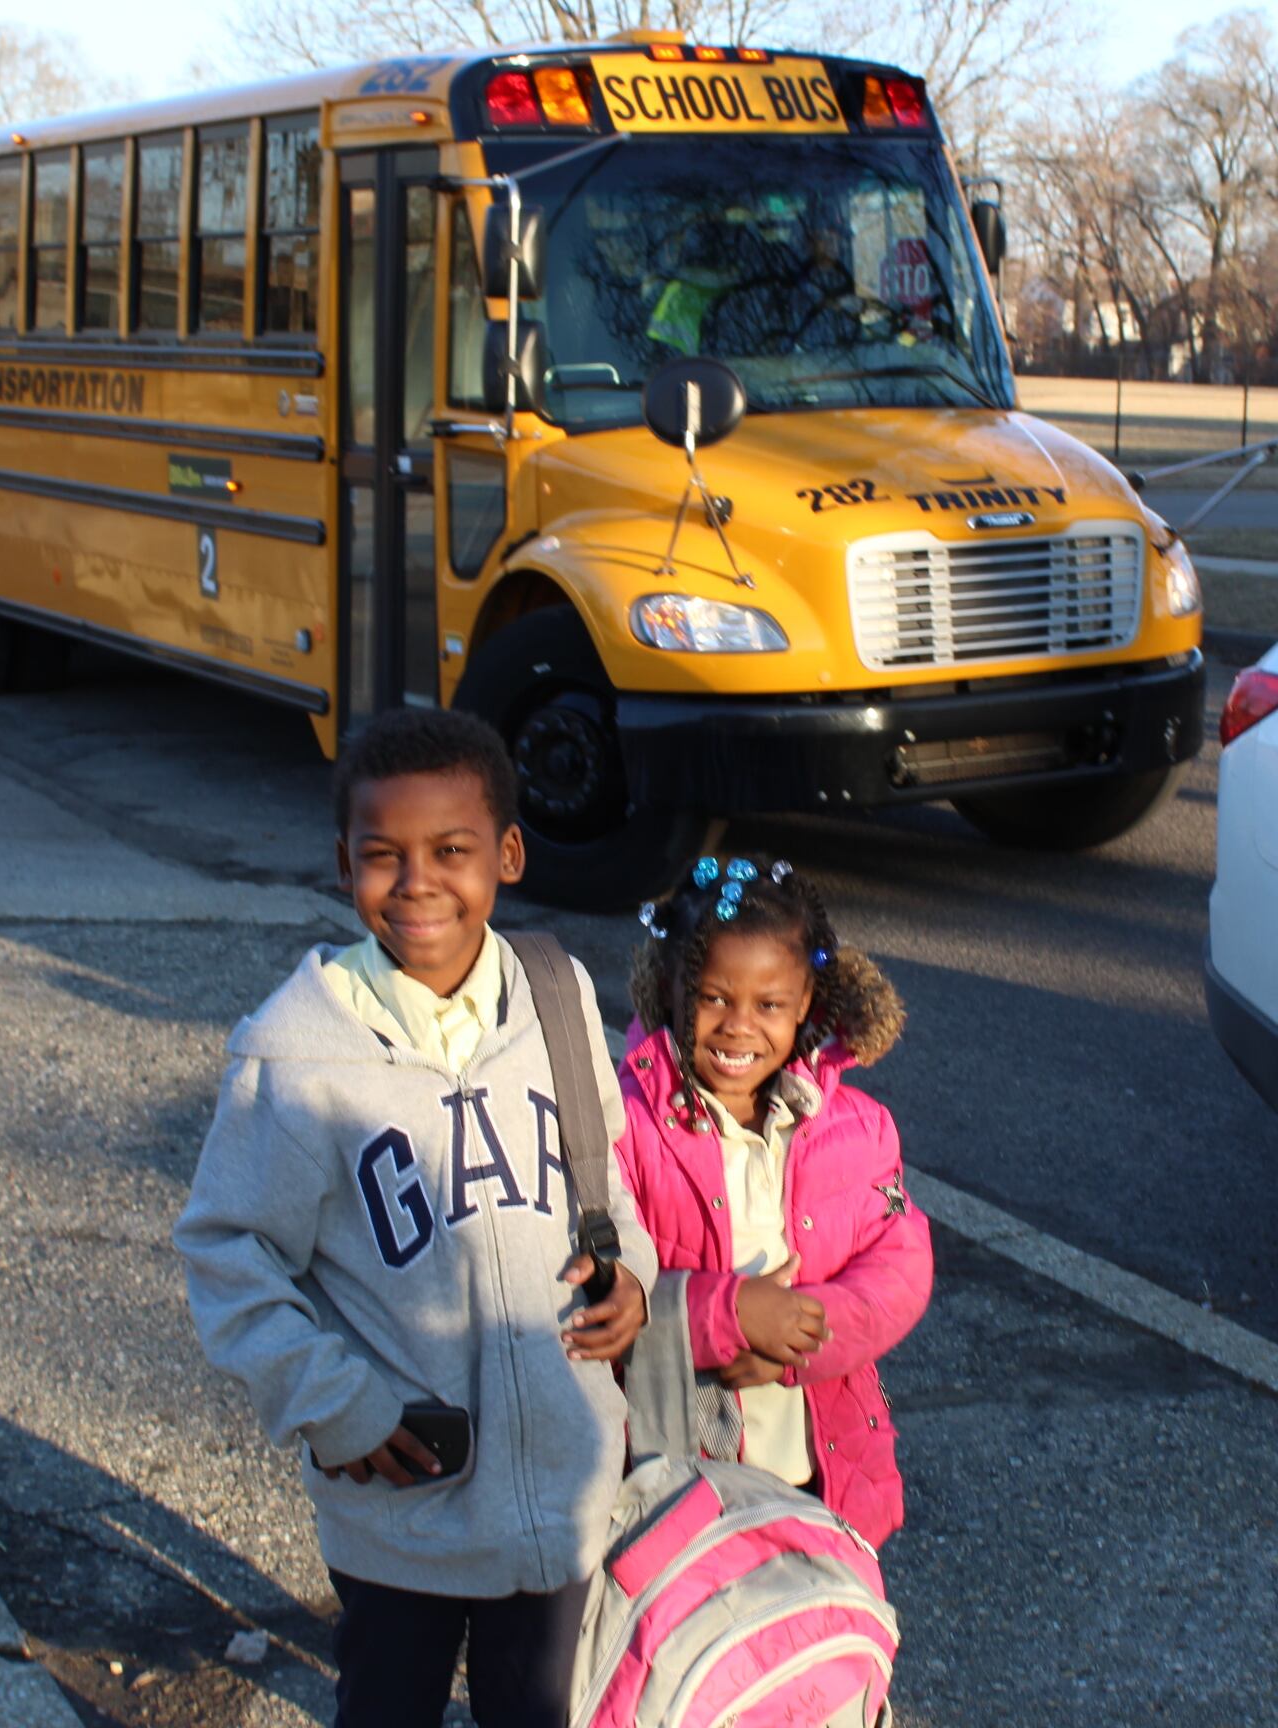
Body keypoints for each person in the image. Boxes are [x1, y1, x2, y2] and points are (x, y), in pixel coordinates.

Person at [174, 708, 655, 1728]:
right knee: (389, 1707)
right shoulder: (297, 1053)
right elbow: (227, 1251)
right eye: (384, 855)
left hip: (564, 1488)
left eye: (452, 851)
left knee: (539, 1711)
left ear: (508, 854)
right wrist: (330, 1400)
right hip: (409, 1509)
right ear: (345, 861)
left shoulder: (556, 996)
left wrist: (631, 1277)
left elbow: (604, 1182)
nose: (419, 882)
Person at [611, 856, 932, 1547]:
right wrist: (728, 1317)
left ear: (807, 1006)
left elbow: (899, 1271)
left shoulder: (859, 1128)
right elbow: (595, 1283)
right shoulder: (621, 1126)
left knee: (801, 1641)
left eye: (769, 1006)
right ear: (669, 988)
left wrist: (803, 1339)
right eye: (714, 997)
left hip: (820, 1470)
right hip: (674, 1478)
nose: (738, 1027)